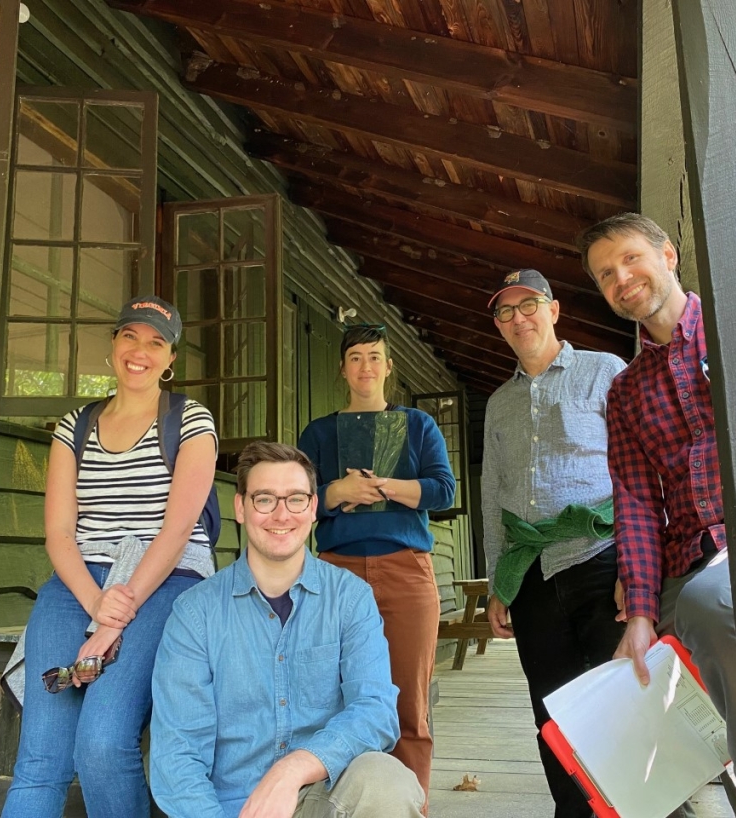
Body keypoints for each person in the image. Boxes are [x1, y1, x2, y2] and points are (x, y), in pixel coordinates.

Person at [1, 295, 217, 818]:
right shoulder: (75, 425)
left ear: (170, 359)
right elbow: (58, 533)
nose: (140, 351)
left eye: (156, 342)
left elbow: (177, 528)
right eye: (130, 336)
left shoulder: (190, 420)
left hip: (166, 578)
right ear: (113, 346)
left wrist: (119, 609)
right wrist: (97, 602)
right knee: (41, 754)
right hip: (78, 584)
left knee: (101, 742)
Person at [578, 212, 736, 816]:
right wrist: (643, 615)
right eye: (606, 274)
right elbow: (634, 506)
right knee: (642, 722)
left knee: (717, 616)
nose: (621, 278)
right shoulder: (625, 391)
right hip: (686, 564)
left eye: (631, 259)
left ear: (669, 256)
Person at [149, 440, 424, 818]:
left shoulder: (351, 599)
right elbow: (177, 752)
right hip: (230, 808)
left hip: (323, 799)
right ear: (240, 508)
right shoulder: (195, 613)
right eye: (264, 499)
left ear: (313, 508)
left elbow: (375, 710)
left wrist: (290, 771)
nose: (281, 514)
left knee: (388, 780)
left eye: (295, 499)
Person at [480, 268, 627, 818]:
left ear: (555, 309)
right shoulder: (498, 403)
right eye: (505, 312)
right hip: (532, 573)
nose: (519, 319)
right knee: (553, 711)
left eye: (529, 305)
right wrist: (501, 581)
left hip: (601, 559)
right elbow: (492, 493)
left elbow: (638, 471)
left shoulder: (604, 371)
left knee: (622, 703)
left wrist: (636, 567)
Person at [296, 323, 456, 810]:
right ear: (343, 369)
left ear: (389, 367)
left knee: (409, 698)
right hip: (336, 569)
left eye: (375, 357)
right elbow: (297, 499)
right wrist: (335, 493)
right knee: (334, 696)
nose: (366, 366)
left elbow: (444, 490)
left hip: (406, 567)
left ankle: (410, 805)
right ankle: (346, 803)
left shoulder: (418, 425)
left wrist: (387, 486)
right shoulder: (319, 432)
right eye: (356, 357)